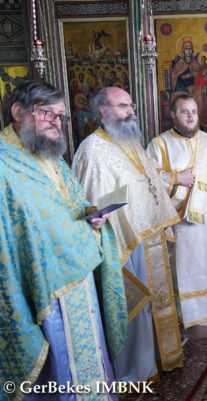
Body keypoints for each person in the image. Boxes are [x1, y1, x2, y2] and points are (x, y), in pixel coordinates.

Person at [0, 80, 127, 400]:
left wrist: (93, 213)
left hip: (78, 277)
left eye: (61, 116)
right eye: (48, 113)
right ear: (18, 112)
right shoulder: (3, 163)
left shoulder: (51, 155)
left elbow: (72, 205)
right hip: (41, 290)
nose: (57, 122)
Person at [73, 87, 183, 382]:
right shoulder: (92, 149)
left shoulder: (132, 142)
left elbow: (148, 184)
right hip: (125, 242)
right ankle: (136, 370)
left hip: (150, 235)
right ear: (103, 111)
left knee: (157, 303)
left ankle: (161, 356)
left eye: (131, 105)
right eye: (123, 106)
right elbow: (91, 201)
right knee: (136, 306)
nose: (131, 111)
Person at [147, 94, 207, 327]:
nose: (190, 117)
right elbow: (147, 180)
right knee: (186, 265)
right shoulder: (159, 144)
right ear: (173, 114)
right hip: (180, 219)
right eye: (184, 111)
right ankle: (187, 312)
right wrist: (176, 178)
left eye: (194, 112)